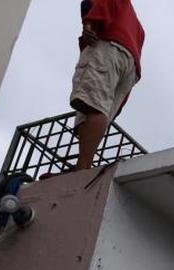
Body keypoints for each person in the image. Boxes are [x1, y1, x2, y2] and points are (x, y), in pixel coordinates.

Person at [72, 0, 145, 171]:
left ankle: (82, 169)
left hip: (109, 47)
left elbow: (95, 4)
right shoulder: (138, 28)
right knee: (100, 111)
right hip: (131, 66)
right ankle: (83, 165)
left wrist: (89, 24)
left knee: (93, 107)